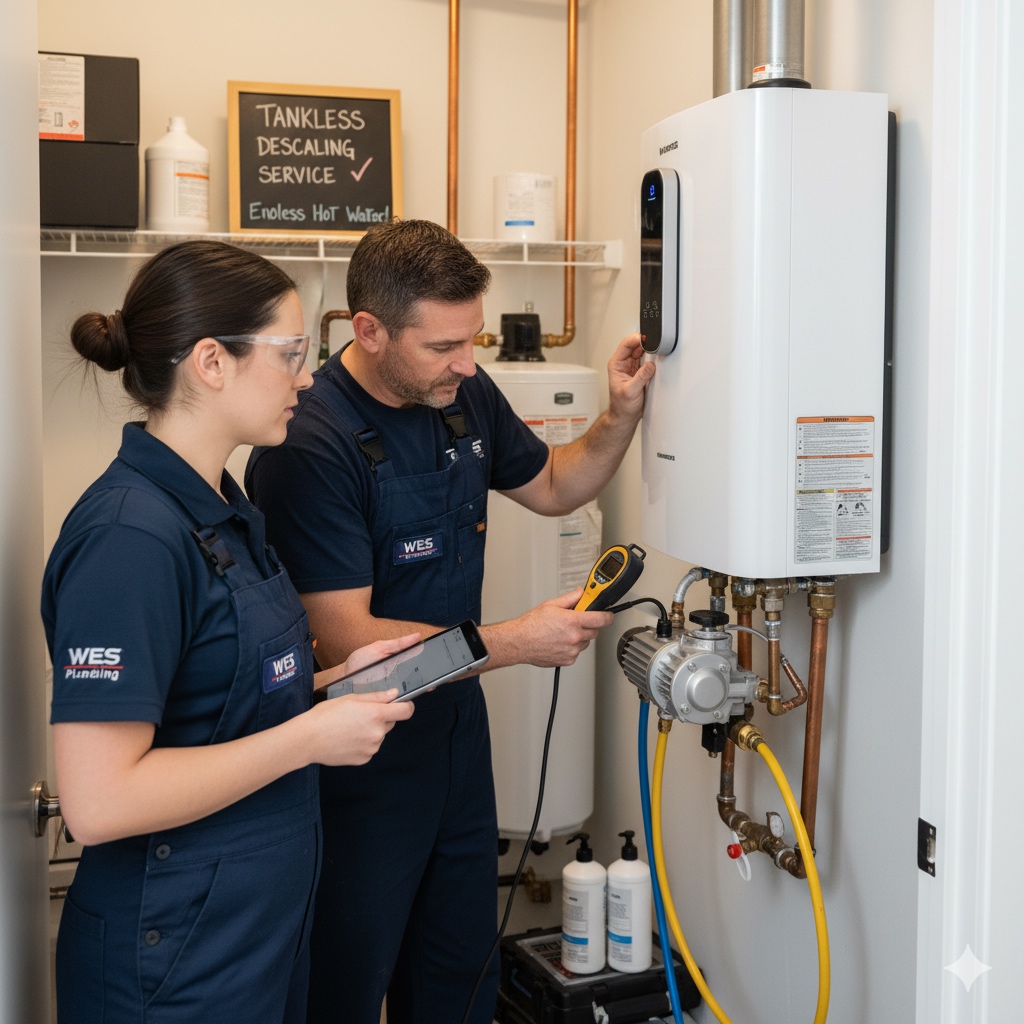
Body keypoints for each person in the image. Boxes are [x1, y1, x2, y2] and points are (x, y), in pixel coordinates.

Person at [245, 218, 655, 1024]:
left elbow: (555, 485)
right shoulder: (308, 445)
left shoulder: (462, 393)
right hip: (359, 758)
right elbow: (348, 642)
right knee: (348, 983)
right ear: (369, 330)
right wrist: (515, 643)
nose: (467, 365)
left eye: (475, 340)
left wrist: (622, 413)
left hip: (456, 740)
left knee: (459, 977)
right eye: (443, 347)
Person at [41, 239, 417, 1024]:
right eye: (290, 354)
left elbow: (217, 699)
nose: (307, 378)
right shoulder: (129, 539)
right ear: (211, 363)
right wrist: (311, 737)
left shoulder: (223, 508)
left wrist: (332, 690)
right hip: (172, 957)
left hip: (255, 933)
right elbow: (99, 801)